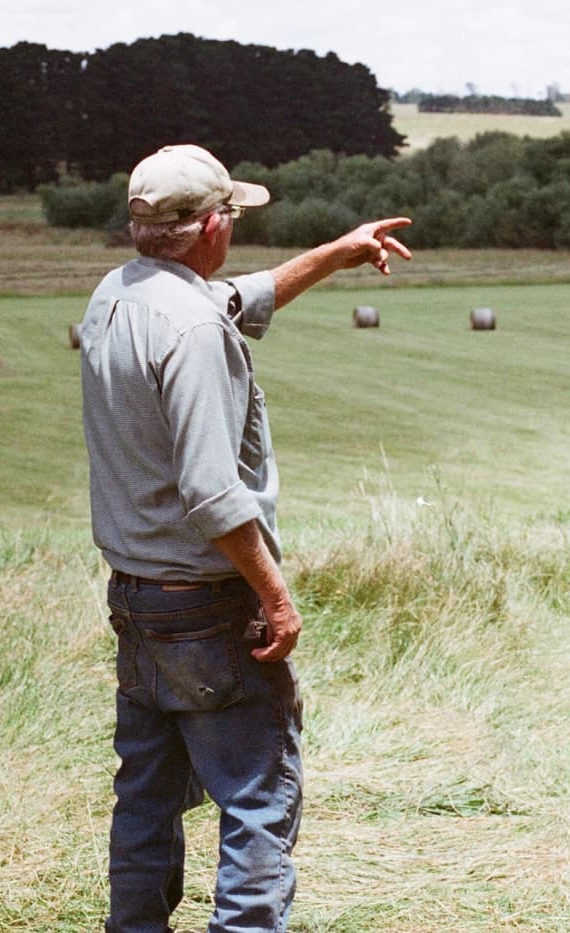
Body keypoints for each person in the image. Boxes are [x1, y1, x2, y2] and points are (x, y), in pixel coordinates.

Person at [78, 143, 411, 933]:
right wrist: (275, 592)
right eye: (230, 212)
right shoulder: (192, 327)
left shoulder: (117, 295)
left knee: (147, 799)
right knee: (258, 802)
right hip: (206, 605)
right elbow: (212, 490)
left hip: (137, 597)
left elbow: (242, 297)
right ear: (211, 226)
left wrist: (338, 252)